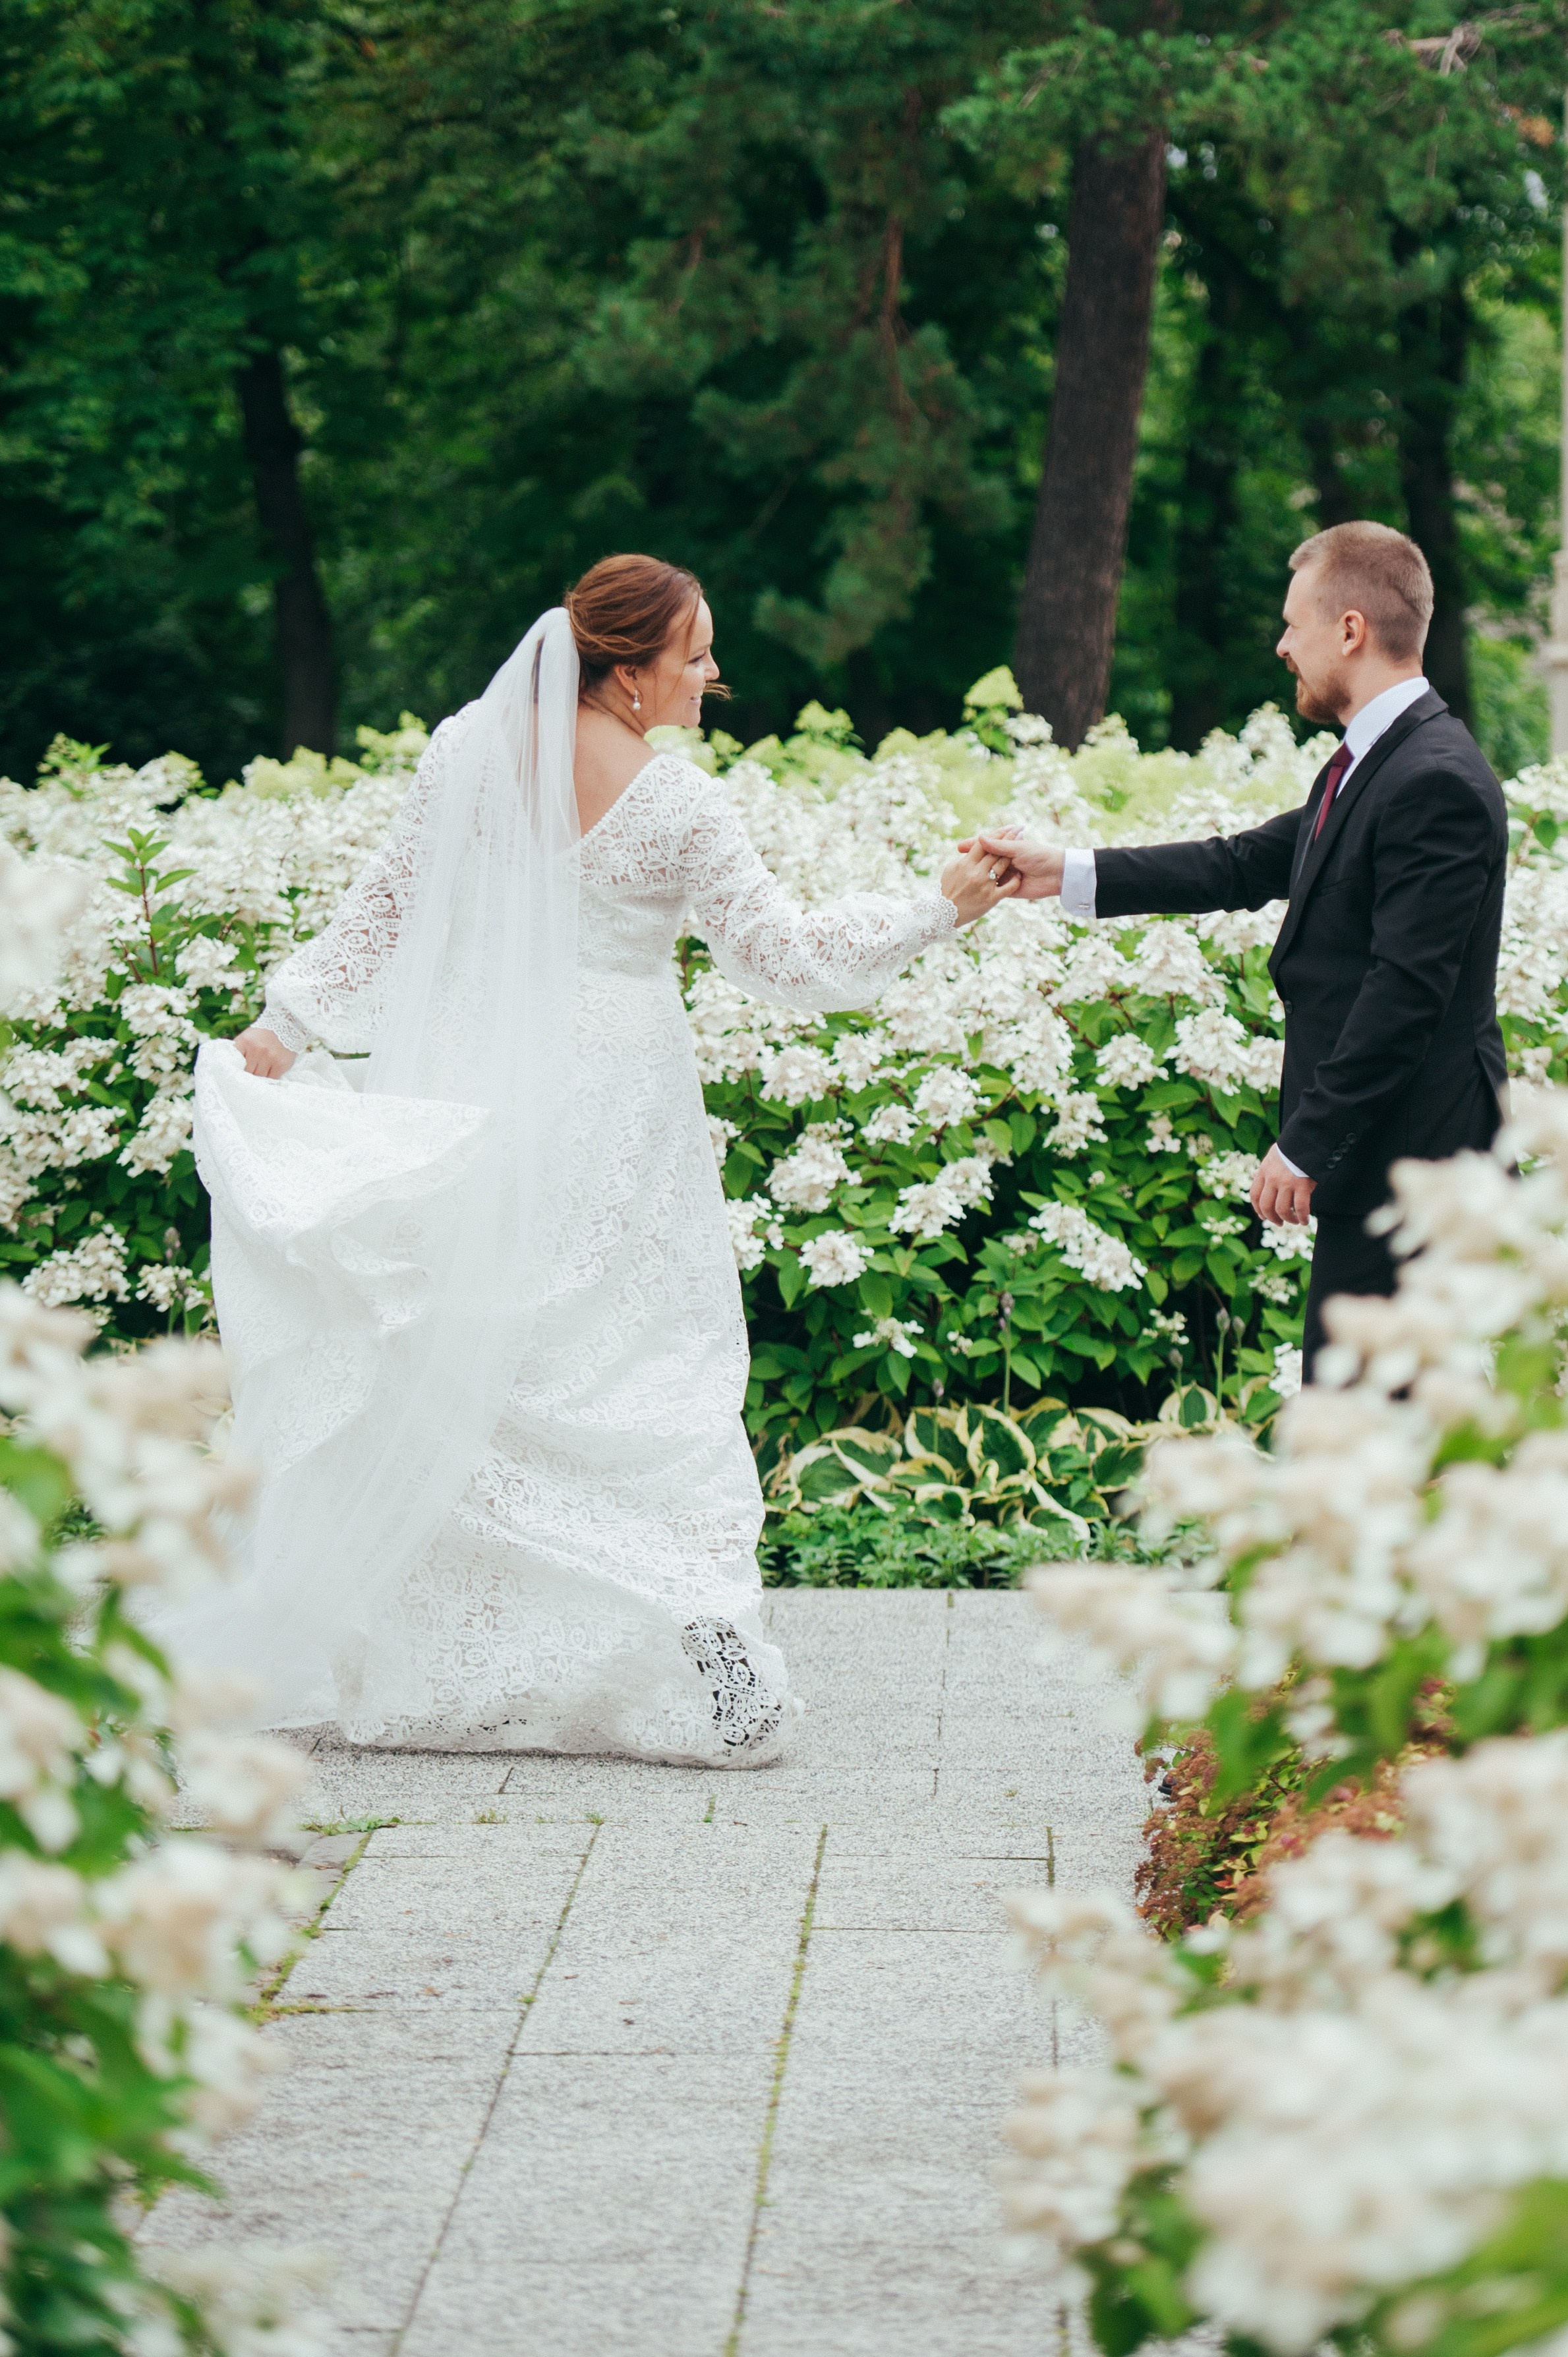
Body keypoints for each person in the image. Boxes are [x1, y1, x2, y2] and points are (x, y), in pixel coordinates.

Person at [175, 556, 1015, 1766]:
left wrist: (284, 1027)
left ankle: (481, 1664)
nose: (713, 675)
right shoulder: (680, 807)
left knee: (484, 1362)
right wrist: (939, 907)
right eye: (696, 656)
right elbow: (787, 962)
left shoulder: (466, 755)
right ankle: (693, 1626)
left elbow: (384, 907)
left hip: (476, 1084)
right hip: (616, 1114)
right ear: (628, 676)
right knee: (636, 1366)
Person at [972, 521, 1509, 1379]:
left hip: (1421, 1165)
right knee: (1364, 1416)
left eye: (1294, 624)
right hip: (1389, 1156)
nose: (1282, 646)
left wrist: (1306, 1144)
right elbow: (1244, 863)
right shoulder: (1378, 761)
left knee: (1373, 1423)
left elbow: (1405, 994)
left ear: (1350, 630)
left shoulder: (1432, 778)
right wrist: (1064, 872)